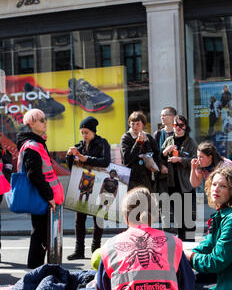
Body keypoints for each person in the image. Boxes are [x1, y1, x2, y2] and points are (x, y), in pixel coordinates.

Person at [73, 187, 197, 290]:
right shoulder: (173, 242)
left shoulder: (110, 246)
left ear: (125, 216)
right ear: (153, 216)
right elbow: (189, 289)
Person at [16, 108, 64, 269]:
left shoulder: (36, 143)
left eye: (45, 119)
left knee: (41, 234)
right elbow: (34, 174)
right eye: (41, 120)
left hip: (42, 196)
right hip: (41, 197)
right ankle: (35, 271)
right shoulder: (32, 146)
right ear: (31, 123)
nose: (45, 122)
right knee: (40, 235)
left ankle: (36, 270)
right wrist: (49, 195)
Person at [66, 116, 111, 260]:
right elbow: (71, 167)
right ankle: (79, 250)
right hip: (84, 183)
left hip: (99, 185)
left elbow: (106, 162)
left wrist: (87, 159)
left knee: (98, 217)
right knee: (79, 219)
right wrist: (69, 157)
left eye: (86, 132)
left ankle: (95, 249)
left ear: (93, 131)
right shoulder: (79, 145)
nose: (84, 135)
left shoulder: (102, 143)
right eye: (82, 132)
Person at [160, 115, 197, 240]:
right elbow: (158, 158)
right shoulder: (169, 141)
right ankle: (181, 247)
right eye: (176, 125)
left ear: (185, 127)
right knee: (178, 219)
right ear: (173, 126)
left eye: (181, 125)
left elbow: (195, 160)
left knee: (189, 220)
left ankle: (191, 245)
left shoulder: (190, 142)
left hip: (186, 185)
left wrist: (180, 159)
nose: (179, 128)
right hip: (172, 185)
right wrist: (165, 152)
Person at [120, 111, 159, 192]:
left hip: (146, 177)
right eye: (132, 124)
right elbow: (127, 159)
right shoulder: (126, 138)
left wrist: (154, 164)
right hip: (131, 179)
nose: (135, 127)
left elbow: (156, 154)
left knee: (147, 202)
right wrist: (138, 143)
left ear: (143, 124)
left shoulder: (148, 137)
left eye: (138, 124)